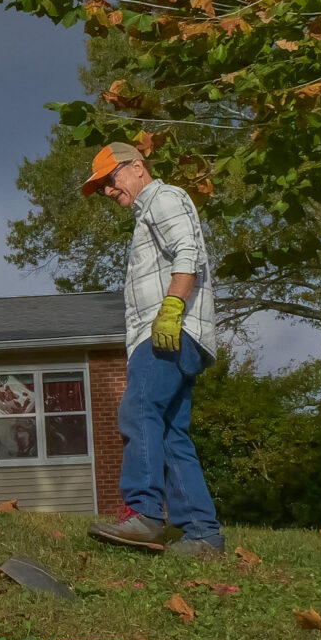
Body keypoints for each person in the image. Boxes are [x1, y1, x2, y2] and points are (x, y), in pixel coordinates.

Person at [82, 142, 222, 559]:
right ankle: (202, 535)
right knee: (172, 432)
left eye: (111, 179)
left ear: (137, 167)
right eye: (103, 185)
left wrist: (172, 308)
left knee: (138, 409)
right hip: (176, 333)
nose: (109, 191)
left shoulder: (164, 197)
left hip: (167, 331)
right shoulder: (148, 213)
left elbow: (188, 252)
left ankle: (143, 513)